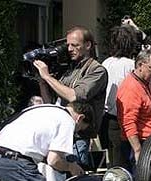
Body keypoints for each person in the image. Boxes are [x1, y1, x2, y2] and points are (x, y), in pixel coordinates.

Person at [35, 26, 108, 166]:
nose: (69, 49)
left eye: (75, 45)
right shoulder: (72, 69)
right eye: (68, 45)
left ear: (88, 45)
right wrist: (42, 82)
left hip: (78, 137)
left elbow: (75, 97)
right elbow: (50, 102)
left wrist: (48, 77)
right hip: (61, 134)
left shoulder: (97, 70)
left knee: (75, 179)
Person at [101, 24, 139, 169]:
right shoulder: (131, 65)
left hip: (109, 118)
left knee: (114, 159)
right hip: (126, 118)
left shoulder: (106, 63)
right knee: (125, 161)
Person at [116, 49, 151, 165]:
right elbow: (128, 122)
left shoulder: (147, 83)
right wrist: (137, 150)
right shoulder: (131, 88)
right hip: (141, 145)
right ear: (140, 65)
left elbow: (148, 109)